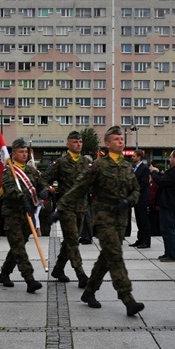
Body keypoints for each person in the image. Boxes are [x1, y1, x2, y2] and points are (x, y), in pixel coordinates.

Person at [59, 126, 142, 315]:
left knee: (106, 257)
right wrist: (62, 206)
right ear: (107, 143)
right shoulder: (98, 165)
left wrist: (129, 200)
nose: (120, 142)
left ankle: (89, 292)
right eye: (116, 139)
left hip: (121, 219)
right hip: (103, 217)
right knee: (115, 255)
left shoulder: (127, 166)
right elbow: (79, 187)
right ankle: (127, 299)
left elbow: (136, 190)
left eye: (122, 139)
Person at [0, 138, 49, 293]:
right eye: (21, 151)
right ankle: (29, 279)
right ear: (13, 153)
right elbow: (9, 188)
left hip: (28, 214)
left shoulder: (32, 171)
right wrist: (21, 197)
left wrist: (45, 191)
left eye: (26, 151)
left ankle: (4, 273)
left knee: (17, 247)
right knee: (19, 248)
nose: (24, 154)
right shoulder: (8, 171)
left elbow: (43, 183)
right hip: (13, 214)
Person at [45, 131, 91, 285]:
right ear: (68, 144)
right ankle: (81, 274)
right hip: (66, 208)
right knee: (72, 240)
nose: (78, 144)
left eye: (80, 142)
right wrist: (46, 191)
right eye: (75, 141)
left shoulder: (86, 162)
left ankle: (58, 269)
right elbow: (45, 179)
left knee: (72, 240)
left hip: (82, 207)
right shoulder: (62, 162)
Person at [149, 149, 175, 262]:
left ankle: (173, 255)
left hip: (169, 203)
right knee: (166, 229)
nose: (169, 160)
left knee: (167, 230)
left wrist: (153, 172)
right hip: (170, 203)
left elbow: (161, 182)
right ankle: (168, 253)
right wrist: (159, 172)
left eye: (170, 157)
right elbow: (166, 178)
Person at [130, 149, 151, 248]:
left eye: (134, 156)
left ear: (139, 157)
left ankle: (146, 241)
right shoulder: (136, 168)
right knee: (138, 219)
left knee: (143, 220)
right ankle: (140, 239)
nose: (132, 157)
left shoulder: (144, 168)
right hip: (137, 198)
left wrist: (135, 190)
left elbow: (144, 183)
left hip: (142, 198)